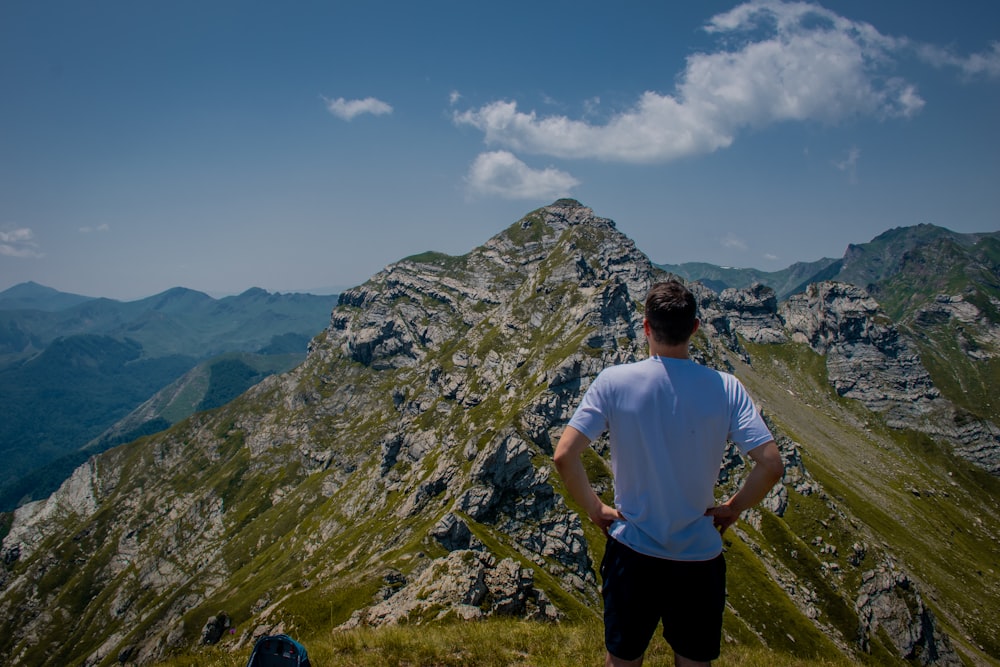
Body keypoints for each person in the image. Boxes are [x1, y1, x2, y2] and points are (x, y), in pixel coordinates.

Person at [553, 280, 784, 667]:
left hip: (633, 550)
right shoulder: (726, 388)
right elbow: (772, 464)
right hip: (699, 556)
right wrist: (734, 507)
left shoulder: (613, 381)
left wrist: (596, 509)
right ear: (695, 328)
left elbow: (564, 456)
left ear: (646, 327)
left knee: (623, 661)